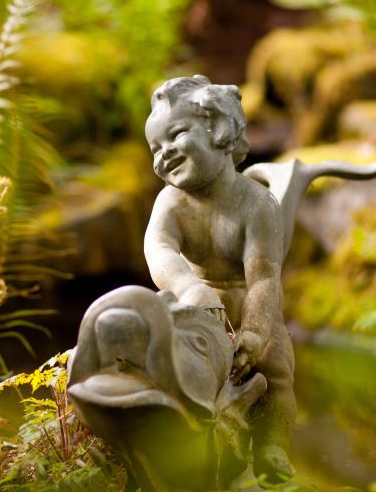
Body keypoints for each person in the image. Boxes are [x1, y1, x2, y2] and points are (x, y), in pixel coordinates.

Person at [143, 75, 296, 481]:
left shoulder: (256, 204)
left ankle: (271, 446)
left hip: (248, 305)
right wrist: (189, 286)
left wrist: (256, 331)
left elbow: (264, 277)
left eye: (176, 135)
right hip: (193, 308)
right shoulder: (171, 203)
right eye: (156, 148)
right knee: (168, 364)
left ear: (219, 128)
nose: (164, 155)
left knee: (276, 370)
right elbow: (158, 251)